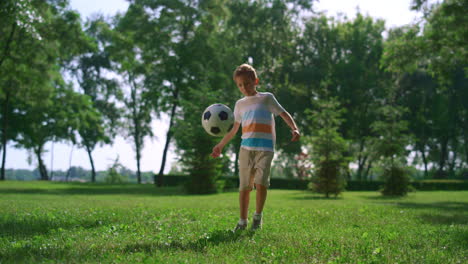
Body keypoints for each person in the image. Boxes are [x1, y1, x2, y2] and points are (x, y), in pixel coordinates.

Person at [211, 63, 300, 231]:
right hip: (246, 149)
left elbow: (283, 113)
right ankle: (242, 221)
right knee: (245, 186)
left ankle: (257, 217)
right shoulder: (239, 105)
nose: (244, 87)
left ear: (256, 81)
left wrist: (294, 127)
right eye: (240, 85)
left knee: (261, 183)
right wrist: (220, 145)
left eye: (247, 83)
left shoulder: (267, 98)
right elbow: (233, 130)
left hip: (265, 149)